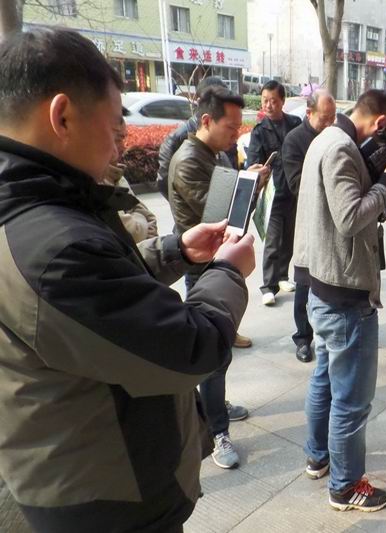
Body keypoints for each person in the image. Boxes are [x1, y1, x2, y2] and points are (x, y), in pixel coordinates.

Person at [0, 28, 256, 532]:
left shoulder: (40, 210)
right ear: (62, 116)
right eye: (115, 124)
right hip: (105, 499)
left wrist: (175, 250)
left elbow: (100, 291)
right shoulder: (53, 246)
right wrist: (228, 271)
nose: (120, 144)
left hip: (78, 470)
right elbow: (191, 348)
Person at [293, 89, 386, 512]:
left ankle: (318, 458)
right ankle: (345, 487)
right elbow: (350, 217)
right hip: (343, 292)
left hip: (321, 283)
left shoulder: (324, 137)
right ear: (380, 123)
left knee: (324, 377)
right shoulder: (341, 148)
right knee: (352, 400)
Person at [168, 85, 270, 469]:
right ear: (207, 120)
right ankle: (217, 432)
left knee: (220, 352)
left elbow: (232, 208)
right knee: (212, 354)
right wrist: (249, 183)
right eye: (230, 126)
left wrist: (249, 181)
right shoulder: (189, 160)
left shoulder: (216, 153)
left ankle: (216, 406)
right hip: (203, 268)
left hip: (218, 262)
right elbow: (219, 215)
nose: (236, 134)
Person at [281, 89, 337, 363]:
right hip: (305, 222)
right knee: (304, 282)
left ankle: (329, 331)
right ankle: (303, 338)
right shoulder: (294, 140)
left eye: (333, 118)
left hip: (333, 222)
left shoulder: (336, 137)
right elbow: (295, 184)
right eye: (324, 118)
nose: (329, 124)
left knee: (328, 280)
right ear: (309, 113)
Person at [247, 80, 303, 306]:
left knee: (289, 238)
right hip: (273, 195)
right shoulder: (259, 131)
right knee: (273, 241)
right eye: (265, 101)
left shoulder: (295, 124)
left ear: (282, 101)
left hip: (294, 192)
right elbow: (252, 162)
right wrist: (259, 170)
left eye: (273, 101)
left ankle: (282, 277)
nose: (268, 105)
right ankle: (268, 286)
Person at [156, 76, 237, 199]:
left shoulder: (225, 136)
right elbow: (165, 183)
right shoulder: (176, 141)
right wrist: (185, 200)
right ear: (199, 102)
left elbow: (231, 174)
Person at [103, 113, 159, 242]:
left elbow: (150, 219)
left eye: (123, 139)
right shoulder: (96, 182)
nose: (123, 147)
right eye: (118, 139)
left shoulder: (118, 175)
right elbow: (133, 232)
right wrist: (139, 218)